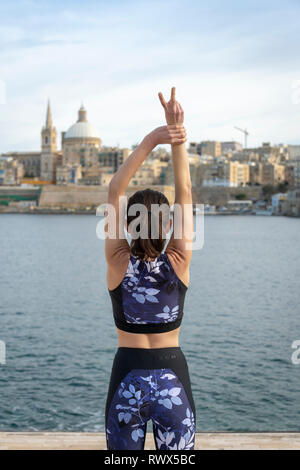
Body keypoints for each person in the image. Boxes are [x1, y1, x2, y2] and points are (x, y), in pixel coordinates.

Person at [104, 87, 195, 450]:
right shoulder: (179, 261)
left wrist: (152, 139)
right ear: (168, 226)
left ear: (129, 225)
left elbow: (115, 190)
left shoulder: (117, 263)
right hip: (173, 375)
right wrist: (177, 137)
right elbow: (185, 188)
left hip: (127, 376)